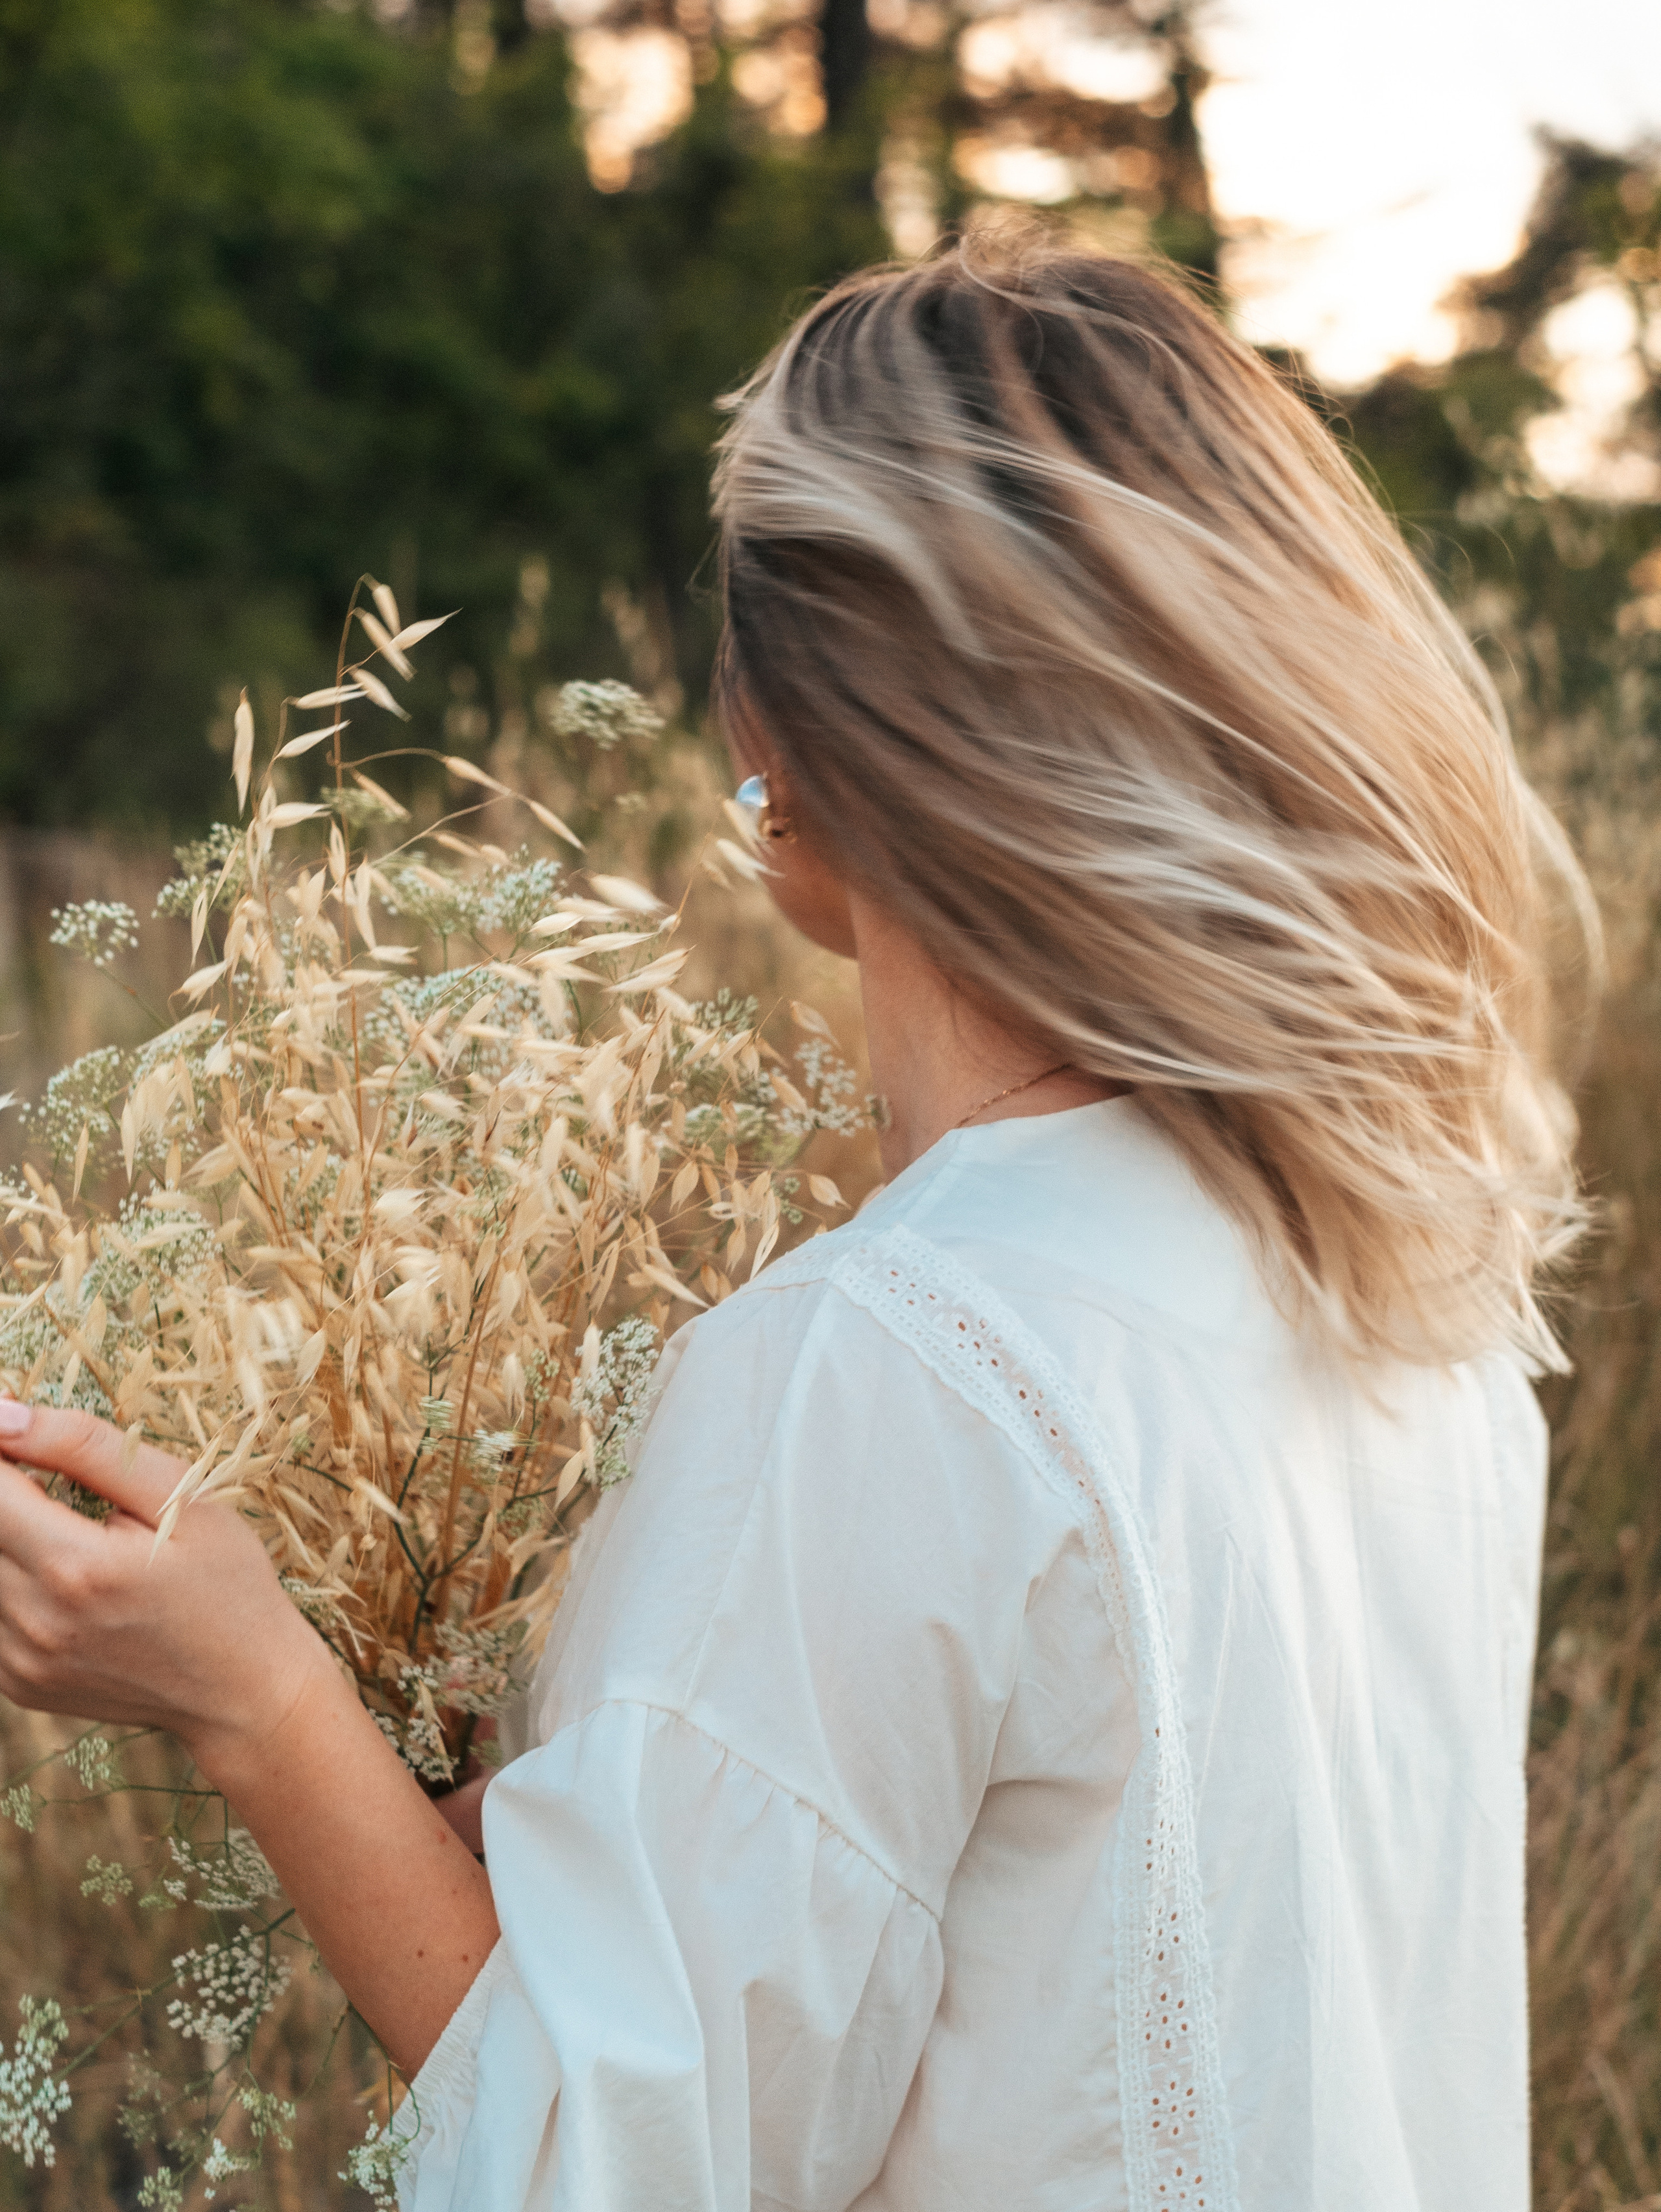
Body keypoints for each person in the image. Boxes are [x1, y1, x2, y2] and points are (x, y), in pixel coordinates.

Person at [0, 233, 1592, 2212]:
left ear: (810, 758)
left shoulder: (889, 1366)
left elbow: (624, 2160)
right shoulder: (1414, 1302)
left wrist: (252, 1693)